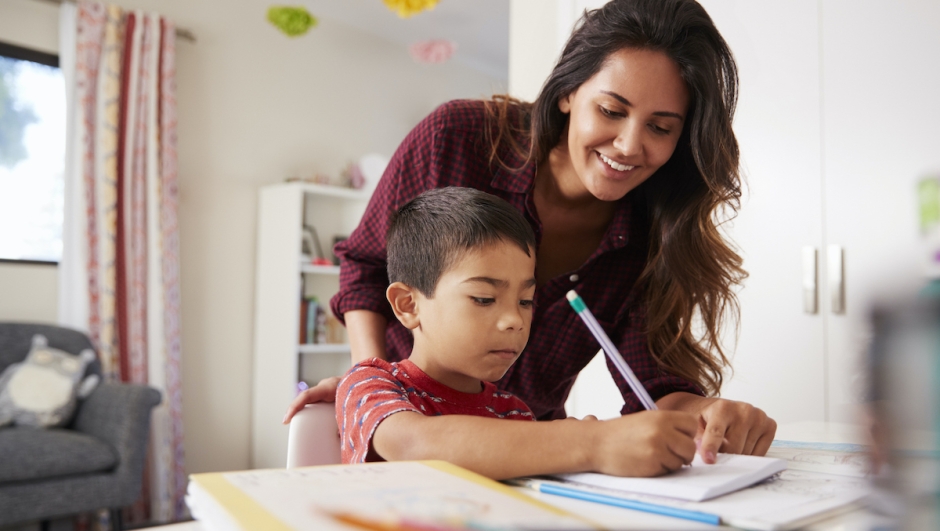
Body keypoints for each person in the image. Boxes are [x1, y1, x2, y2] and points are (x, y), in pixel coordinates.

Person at [286, 0, 777, 464]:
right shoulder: (457, 138)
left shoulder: (653, 234)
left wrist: (707, 415)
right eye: (611, 110)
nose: (629, 145)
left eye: (661, 127)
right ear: (568, 92)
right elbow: (367, 267)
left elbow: (651, 387)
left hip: (530, 459)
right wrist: (372, 381)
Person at [337, 187, 699, 479]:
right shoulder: (371, 384)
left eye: (526, 301)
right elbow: (414, 444)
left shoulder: (512, 414)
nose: (514, 320)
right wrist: (591, 443)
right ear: (408, 305)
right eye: (483, 298)